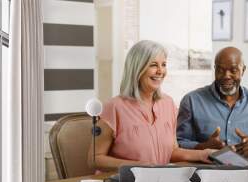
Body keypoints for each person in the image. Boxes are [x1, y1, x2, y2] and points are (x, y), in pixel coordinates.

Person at [89, 40, 213, 171]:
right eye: (154, 65)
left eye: (163, 65)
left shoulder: (168, 104)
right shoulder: (112, 107)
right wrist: (137, 167)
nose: (160, 71)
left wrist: (203, 154)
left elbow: (171, 152)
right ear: (137, 68)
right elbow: (94, 159)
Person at [176, 47, 248, 157]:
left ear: (243, 70)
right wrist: (203, 147)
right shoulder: (191, 101)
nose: (226, 76)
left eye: (233, 70)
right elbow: (178, 143)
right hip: (206, 172)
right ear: (215, 69)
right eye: (221, 70)